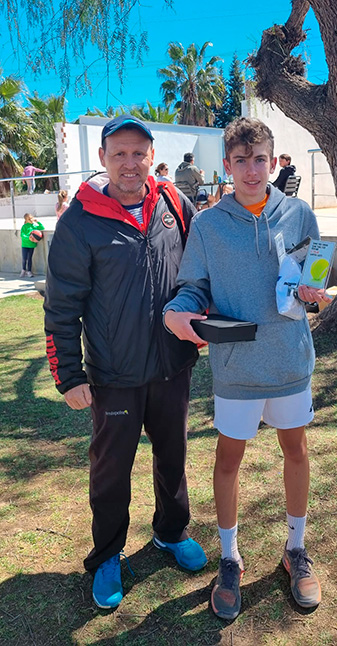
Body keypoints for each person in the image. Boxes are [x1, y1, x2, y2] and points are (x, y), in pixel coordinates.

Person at [164, 117, 330, 620]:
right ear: (227, 165)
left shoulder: (299, 214)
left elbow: (314, 276)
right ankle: (230, 558)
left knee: (295, 450)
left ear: (273, 160)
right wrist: (181, 309)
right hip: (235, 366)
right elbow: (194, 285)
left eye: (260, 159)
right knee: (227, 462)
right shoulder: (209, 225)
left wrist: (313, 291)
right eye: (241, 161)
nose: (252, 170)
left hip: (289, 359)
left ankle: (295, 549)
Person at [43, 114, 207, 610]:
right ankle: (108, 554)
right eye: (119, 154)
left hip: (173, 366)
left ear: (152, 156)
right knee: (111, 469)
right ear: (103, 159)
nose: (130, 163)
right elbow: (61, 307)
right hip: (113, 377)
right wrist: (69, 376)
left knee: (173, 456)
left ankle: (170, 531)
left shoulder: (174, 205)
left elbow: (201, 269)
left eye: (139, 153)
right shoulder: (79, 220)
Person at [20, 213, 45, 277]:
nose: (31, 220)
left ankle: (29, 271)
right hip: (25, 245)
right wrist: (28, 237)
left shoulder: (34, 225)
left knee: (29, 258)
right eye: (29, 219)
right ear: (26, 220)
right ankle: (23, 270)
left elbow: (42, 227)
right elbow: (22, 235)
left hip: (31, 245)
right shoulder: (24, 226)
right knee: (24, 258)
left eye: (31, 218)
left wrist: (38, 222)